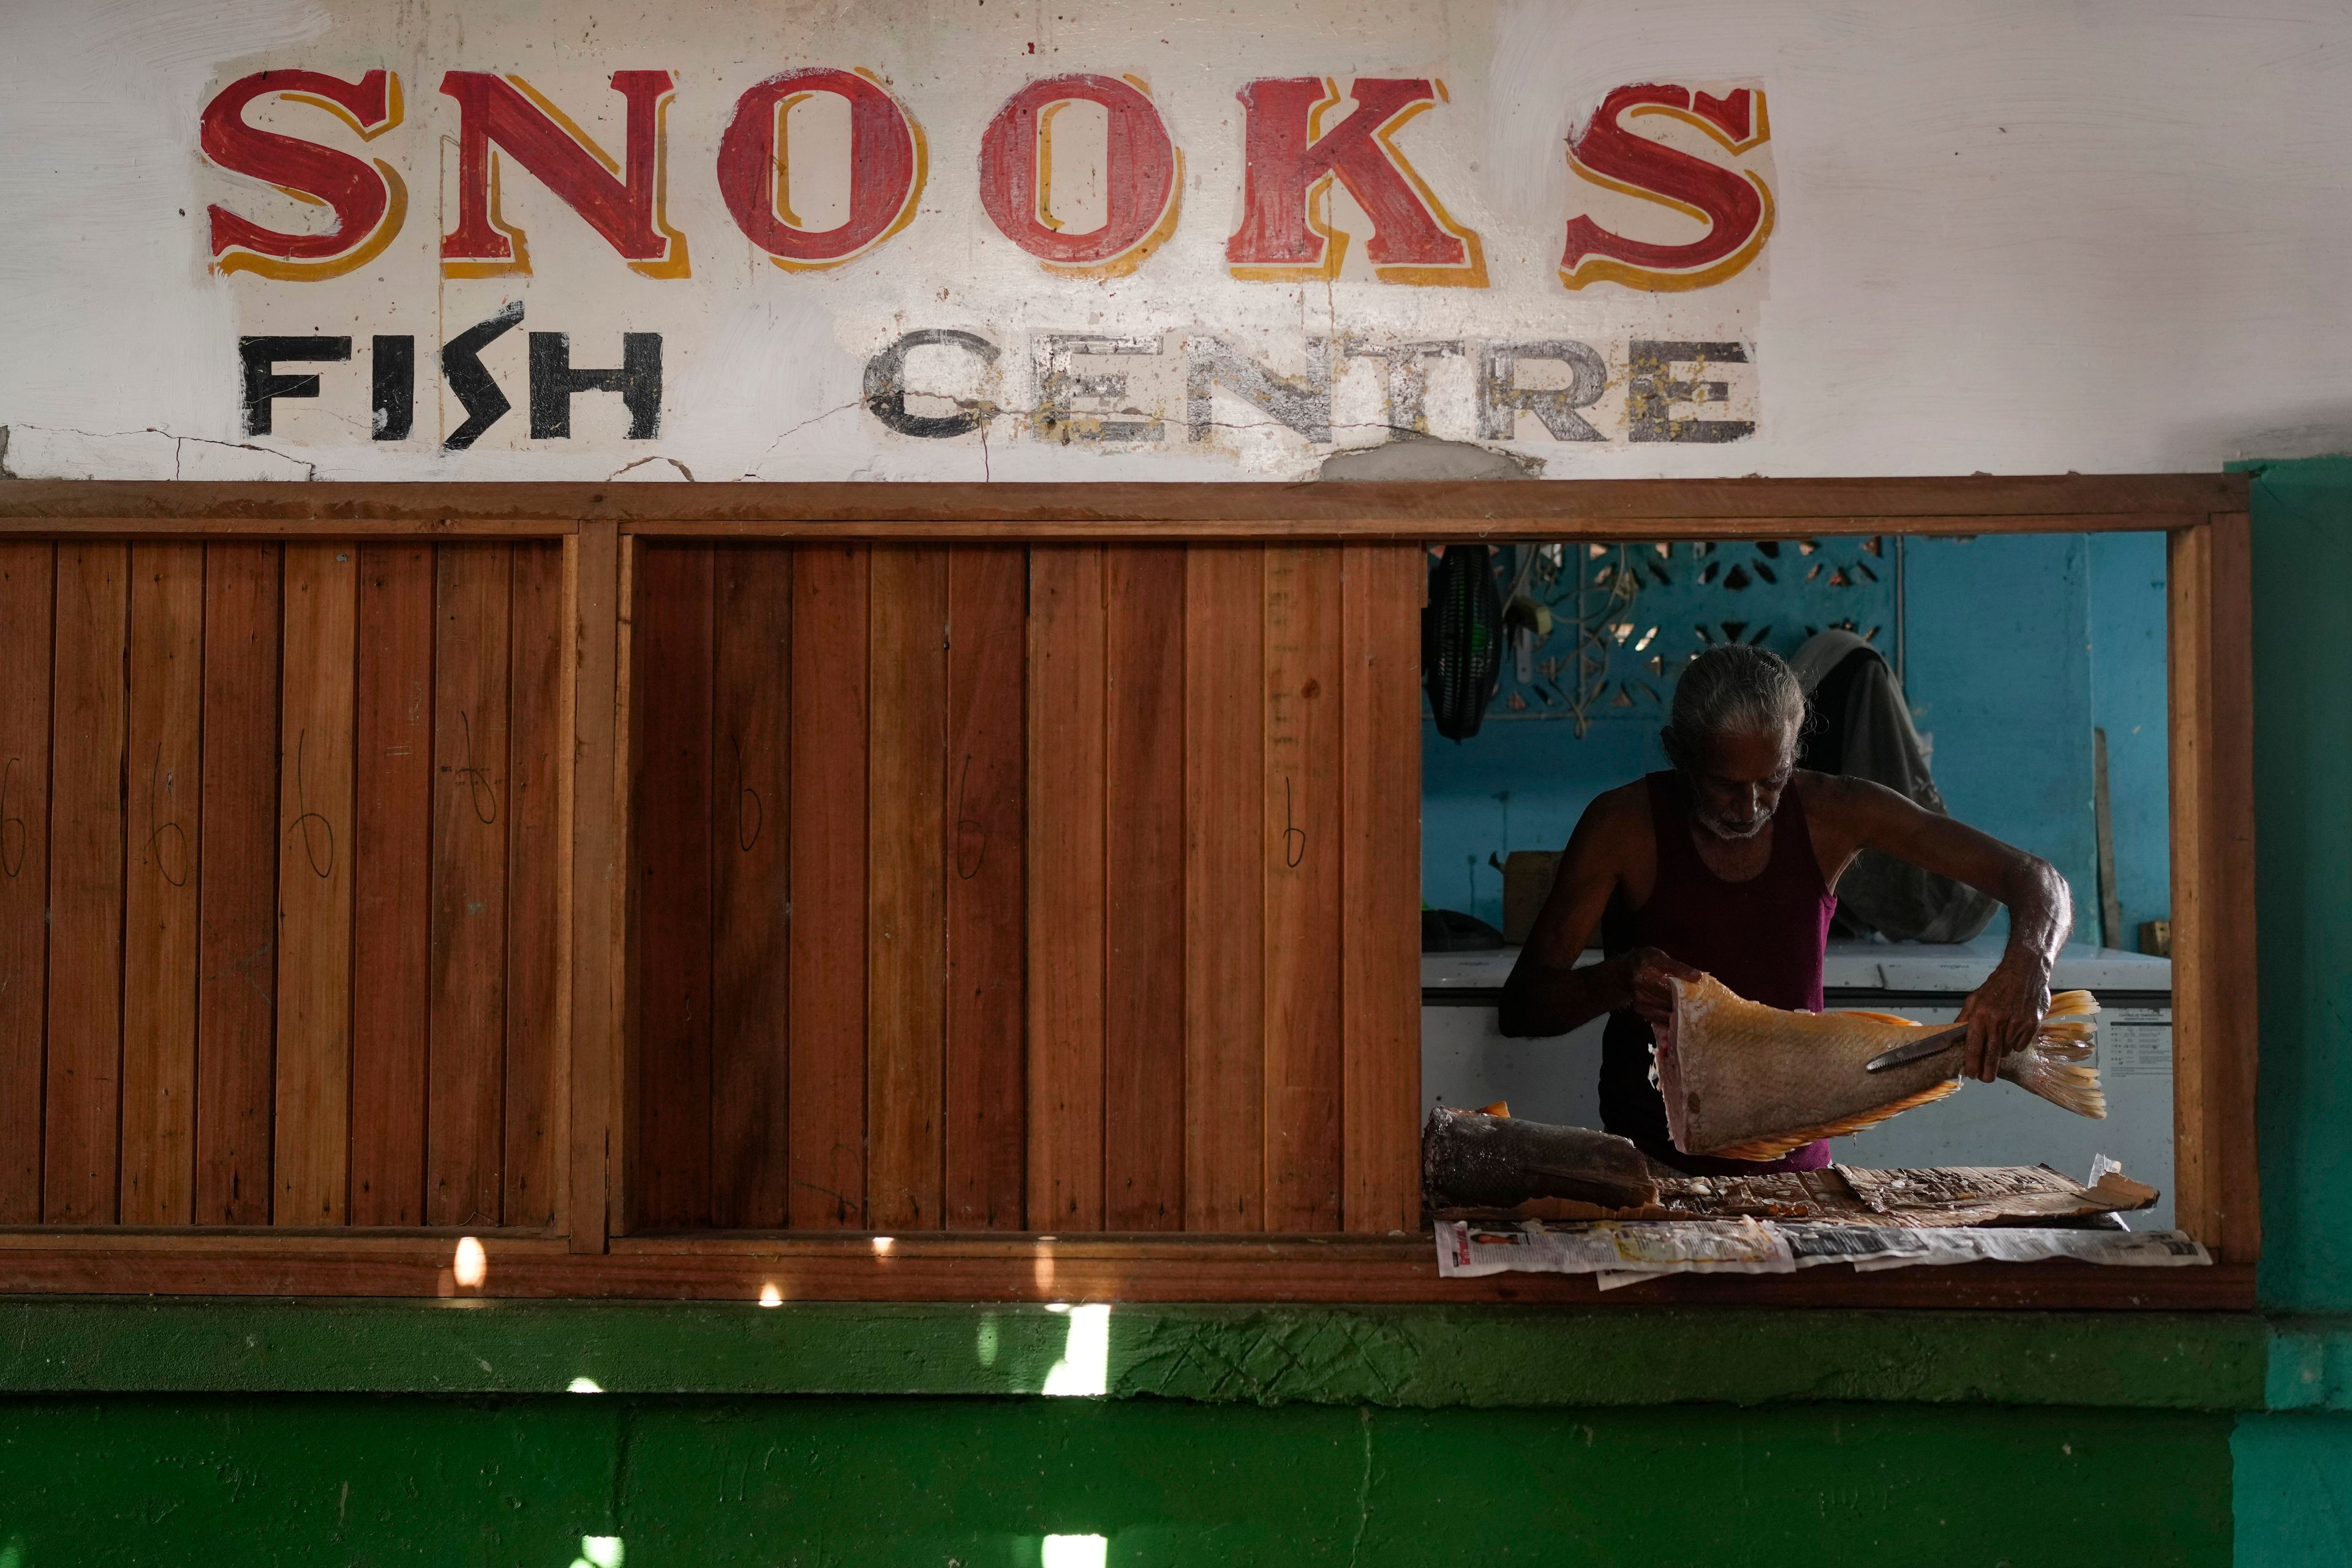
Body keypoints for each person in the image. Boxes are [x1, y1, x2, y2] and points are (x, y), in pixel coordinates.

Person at [1496, 644, 2071, 1174]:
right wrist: (1619, 980)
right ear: (1680, 753)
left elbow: (2036, 879)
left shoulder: (1834, 813)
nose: (1749, 808)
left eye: (1772, 780)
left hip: (1797, 1180)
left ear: (1795, 753)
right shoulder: (1622, 827)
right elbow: (1523, 1007)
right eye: (1725, 785)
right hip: (1650, 1171)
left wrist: (2028, 965)